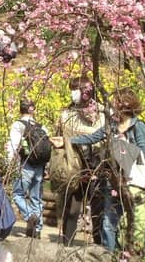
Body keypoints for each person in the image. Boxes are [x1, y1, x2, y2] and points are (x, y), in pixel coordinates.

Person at [61, 87, 145, 253]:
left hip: (133, 183)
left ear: (125, 105)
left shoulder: (139, 126)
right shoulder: (112, 125)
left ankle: (128, 254)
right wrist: (68, 141)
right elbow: (93, 137)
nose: (112, 106)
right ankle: (108, 255)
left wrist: (122, 148)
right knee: (108, 222)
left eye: (115, 103)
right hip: (112, 181)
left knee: (132, 222)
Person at [55, 77, 113, 248]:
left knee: (98, 210)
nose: (74, 93)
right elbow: (61, 138)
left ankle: (99, 248)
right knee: (72, 210)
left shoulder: (103, 113)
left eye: (77, 89)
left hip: (99, 166)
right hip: (75, 166)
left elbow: (105, 136)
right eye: (72, 89)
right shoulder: (67, 114)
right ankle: (67, 247)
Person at [6, 99, 46, 238]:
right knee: (36, 198)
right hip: (39, 167)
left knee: (17, 194)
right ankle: (37, 230)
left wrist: (10, 164)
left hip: (25, 165)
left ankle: (30, 216)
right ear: (32, 110)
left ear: (20, 110)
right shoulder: (42, 127)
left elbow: (13, 145)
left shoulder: (18, 125)